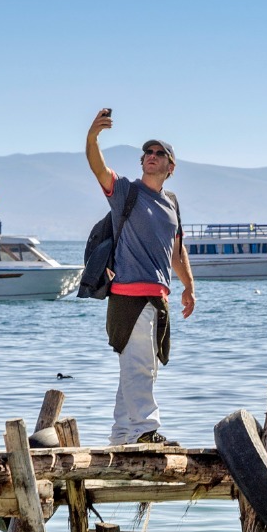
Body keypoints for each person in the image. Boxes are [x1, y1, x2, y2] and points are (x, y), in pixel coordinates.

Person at [86, 108, 196, 446]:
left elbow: (177, 252)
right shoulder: (126, 192)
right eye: (147, 153)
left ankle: (122, 435)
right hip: (128, 295)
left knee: (136, 367)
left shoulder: (172, 204)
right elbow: (98, 167)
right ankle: (146, 431)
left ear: (170, 167)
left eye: (158, 153)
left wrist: (189, 286)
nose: (150, 156)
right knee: (141, 366)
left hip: (157, 296)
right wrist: (92, 137)